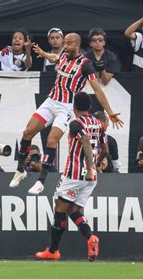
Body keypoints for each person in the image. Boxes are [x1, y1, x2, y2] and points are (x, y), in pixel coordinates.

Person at [10, 33, 123, 195]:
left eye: (68, 44)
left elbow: (97, 89)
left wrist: (110, 112)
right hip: (51, 101)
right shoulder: (63, 54)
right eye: (65, 43)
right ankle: (20, 170)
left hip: (67, 107)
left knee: (51, 140)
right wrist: (44, 54)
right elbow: (55, 58)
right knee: (27, 132)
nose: (66, 46)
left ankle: (41, 181)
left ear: (76, 45)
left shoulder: (85, 65)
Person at [35, 92, 101, 261]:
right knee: (73, 210)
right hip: (90, 178)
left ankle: (53, 250)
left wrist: (88, 167)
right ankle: (90, 237)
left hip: (75, 174)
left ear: (74, 107)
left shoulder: (75, 124)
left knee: (59, 209)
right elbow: (101, 146)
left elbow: (85, 141)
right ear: (90, 107)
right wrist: (94, 166)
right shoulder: (98, 123)